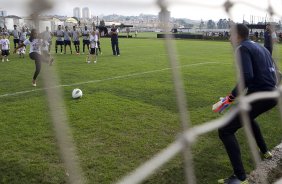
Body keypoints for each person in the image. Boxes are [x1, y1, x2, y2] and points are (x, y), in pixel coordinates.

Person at [215, 24, 277, 184]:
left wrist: (229, 99)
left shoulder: (241, 48)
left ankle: (240, 177)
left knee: (225, 130)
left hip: (259, 95)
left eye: (230, 35)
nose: (229, 39)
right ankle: (265, 151)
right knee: (248, 118)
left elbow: (247, 77)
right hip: (271, 94)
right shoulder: (260, 47)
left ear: (237, 35)